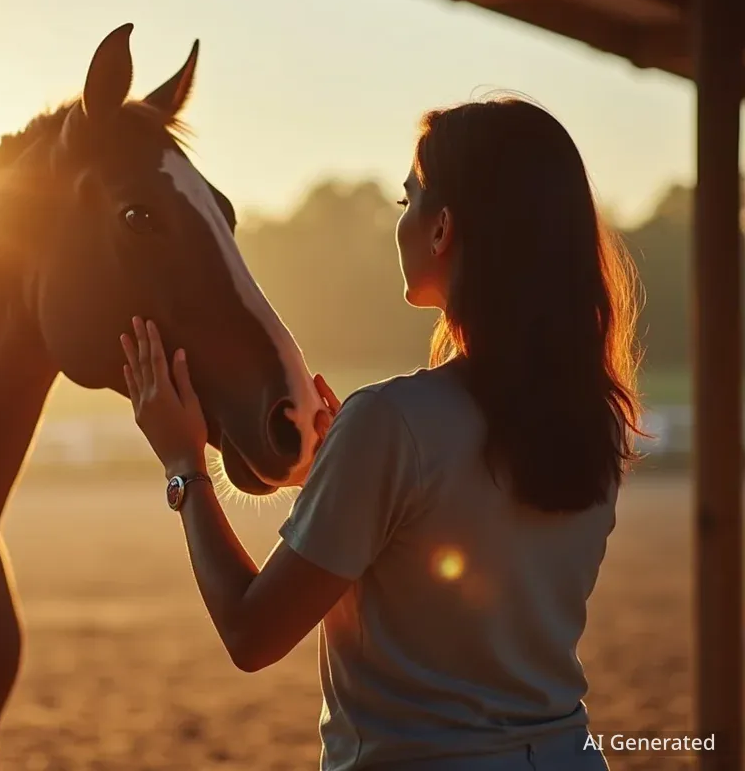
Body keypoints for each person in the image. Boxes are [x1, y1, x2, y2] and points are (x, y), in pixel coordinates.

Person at [119, 96, 642, 770]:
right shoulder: (596, 418)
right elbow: (447, 531)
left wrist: (183, 464)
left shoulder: (391, 423)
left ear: (442, 228)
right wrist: (342, 475)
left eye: (408, 200)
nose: (401, 221)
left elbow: (251, 634)